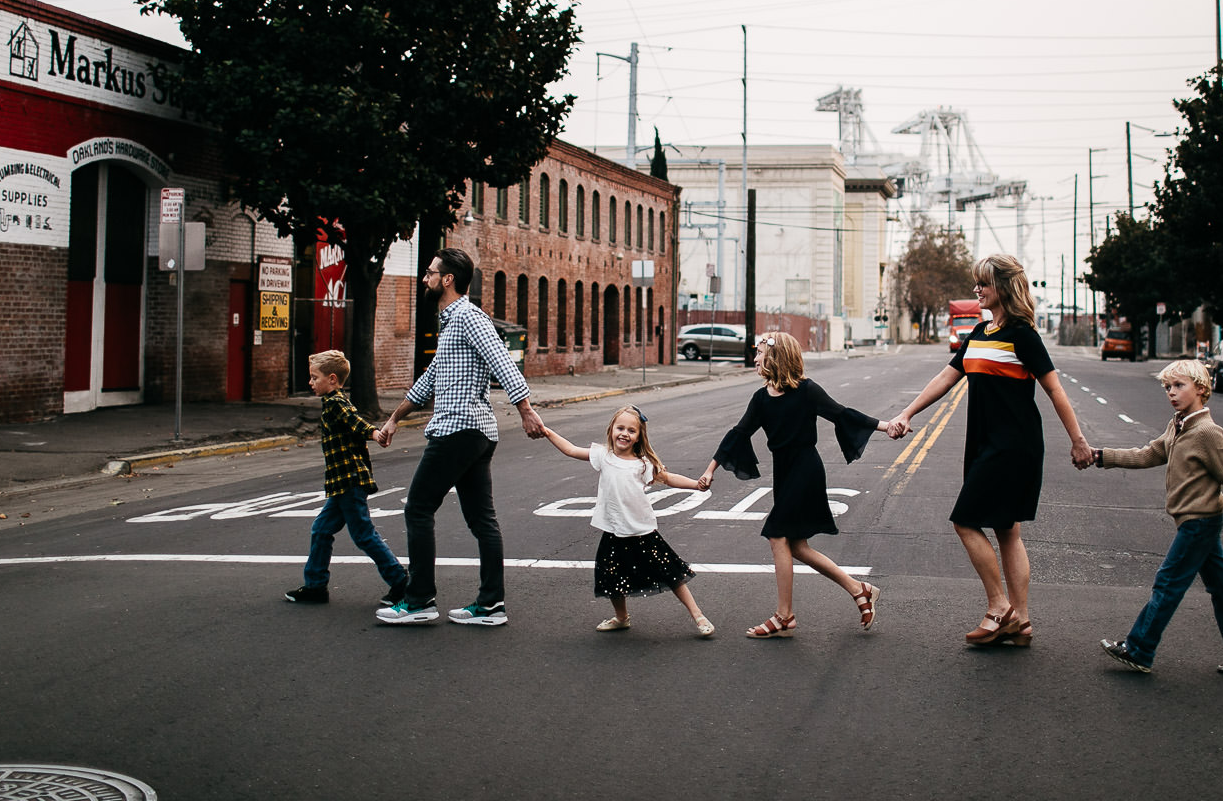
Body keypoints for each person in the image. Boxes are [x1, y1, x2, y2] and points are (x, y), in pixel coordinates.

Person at [886, 255, 1095, 647]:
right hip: (983, 443)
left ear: (1002, 287)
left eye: (982, 284)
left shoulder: (1022, 335)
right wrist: (908, 412)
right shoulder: (981, 332)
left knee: (965, 521)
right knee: (1006, 529)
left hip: (1014, 445)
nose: (976, 290)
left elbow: (1055, 390)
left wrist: (1078, 440)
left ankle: (1000, 609)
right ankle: (1023, 622)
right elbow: (947, 377)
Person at [375, 247, 543, 628]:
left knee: (418, 508)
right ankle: (490, 605)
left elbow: (503, 360)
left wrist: (525, 409)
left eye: (431, 273)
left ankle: (418, 600)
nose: (425, 278)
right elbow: (429, 379)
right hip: (472, 431)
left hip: (458, 429)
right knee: (482, 520)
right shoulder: (451, 322)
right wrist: (394, 419)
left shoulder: (468, 316)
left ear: (447, 279)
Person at [698, 333, 888, 638]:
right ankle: (859, 589)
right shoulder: (761, 398)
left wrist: (885, 425)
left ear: (776, 358)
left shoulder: (807, 391)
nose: (756, 359)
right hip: (784, 473)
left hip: (806, 470)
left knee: (776, 535)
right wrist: (710, 470)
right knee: (797, 547)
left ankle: (784, 615)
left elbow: (841, 414)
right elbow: (739, 433)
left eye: (759, 354)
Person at [1086, 359, 1223, 675]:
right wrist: (1102, 457)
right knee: (1222, 587)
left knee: (1168, 582)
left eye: (1179, 386)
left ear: (1201, 388)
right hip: (1195, 521)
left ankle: (1139, 649)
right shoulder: (1178, 425)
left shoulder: (1208, 432)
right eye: (1168, 387)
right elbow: (1148, 454)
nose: (1171, 393)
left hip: (1200, 522)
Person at [539, 405, 716, 637]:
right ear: (611, 429)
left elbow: (669, 478)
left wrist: (696, 484)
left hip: (641, 530)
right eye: (620, 428)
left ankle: (698, 616)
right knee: (611, 577)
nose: (624, 433)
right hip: (613, 530)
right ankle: (621, 618)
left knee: (671, 574)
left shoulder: (643, 463)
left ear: (638, 437)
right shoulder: (603, 456)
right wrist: (546, 431)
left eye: (631, 430)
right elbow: (571, 450)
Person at [283, 350, 410, 607]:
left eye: (313, 377)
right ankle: (315, 586)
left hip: (349, 481)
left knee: (363, 534)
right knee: (321, 530)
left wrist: (374, 433)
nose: (310, 383)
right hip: (342, 482)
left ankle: (400, 582)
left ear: (331, 379)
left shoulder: (335, 403)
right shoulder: (335, 401)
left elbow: (355, 423)